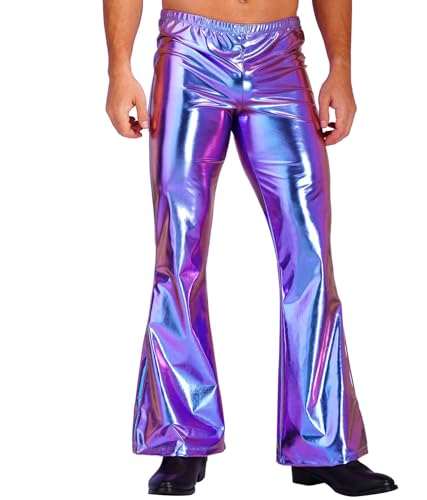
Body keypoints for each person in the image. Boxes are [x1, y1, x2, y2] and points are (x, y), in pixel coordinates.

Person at [104, 0, 398, 496]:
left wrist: (340, 67)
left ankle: (321, 441)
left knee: (309, 252)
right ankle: (182, 438)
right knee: (179, 251)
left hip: (280, 56)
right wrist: (119, 68)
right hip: (189, 53)